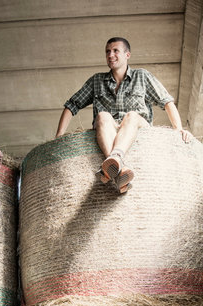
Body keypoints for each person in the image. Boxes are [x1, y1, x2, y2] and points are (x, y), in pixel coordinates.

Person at [55, 37, 193, 193]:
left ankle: (114, 160)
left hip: (138, 125)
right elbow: (71, 105)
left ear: (127, 55)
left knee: (132, 115)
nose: (110, 55)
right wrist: (59, 135)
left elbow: (167, 102)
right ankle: (116, 166)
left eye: (115, 51)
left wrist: (179, 129)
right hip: (109, 127)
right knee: (102, 116)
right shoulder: (96, 81)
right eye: (107, 51)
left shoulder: (142, 76)